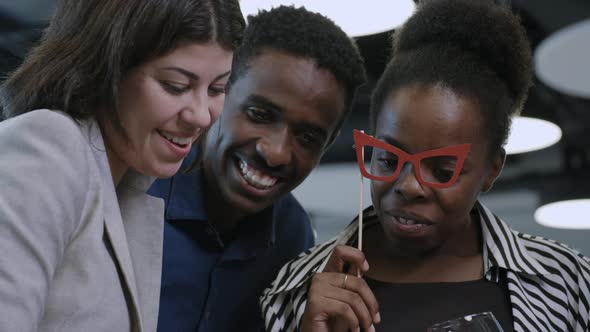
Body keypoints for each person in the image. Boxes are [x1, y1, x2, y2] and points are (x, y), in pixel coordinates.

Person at [261, 1, 590, 331]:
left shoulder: (567, 282)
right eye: (389, 159)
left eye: (443, 171)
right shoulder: (298, 288)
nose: (409, 186)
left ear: (492, 169)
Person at [0, 0, 245, 331]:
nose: (202, 115)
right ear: (106, 66)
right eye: (176, 86)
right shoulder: (49, 144)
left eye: (217, 88)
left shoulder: (129, 184)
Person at [147, 5, 366, 332]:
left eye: (307, 137)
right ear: (219, 90)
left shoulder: (293, 237)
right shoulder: (135, 191)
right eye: (259, 114)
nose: (276, 153)